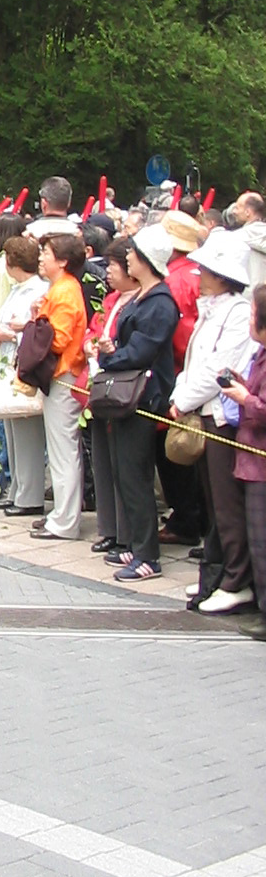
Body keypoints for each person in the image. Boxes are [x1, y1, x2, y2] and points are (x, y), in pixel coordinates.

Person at [169, 229, 254, 613]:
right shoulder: (214, 309)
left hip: (221, 416)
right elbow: (195, 363)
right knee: (212, 500)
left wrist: (183, 398)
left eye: (205, 268)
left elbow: (219, 369)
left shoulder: (236, 313)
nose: (198, 273)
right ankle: (217, 574)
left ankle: (236, 579)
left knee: (226, 504)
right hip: (203, 413)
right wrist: (180, 396)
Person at [93, 226, 179, 581]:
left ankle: (148, 556)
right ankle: (135, 545)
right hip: (129, 393)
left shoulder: (160, 302)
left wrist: (111, 358)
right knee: (124, 473)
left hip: (144, 396)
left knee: (136, 475)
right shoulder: (143, 295)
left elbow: (142, 351)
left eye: (132, 252)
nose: (127, 256)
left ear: (146, 260)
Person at [81, 237, 137, 551]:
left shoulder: (142, 301)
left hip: (124, 387)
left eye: (114, 266)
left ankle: (127, 533)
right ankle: (110, 528)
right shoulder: (110, 298)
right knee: (102, 458)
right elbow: (94, 327)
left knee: (123, 465)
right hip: (101, 383)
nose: (109, 272)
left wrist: (110, 348)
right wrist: (91, 342)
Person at [32, 233, 89, 542]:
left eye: (47, 254)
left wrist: (34, 329)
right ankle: (61, 515)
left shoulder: (65, 291)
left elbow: (59, 339)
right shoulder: (61, 288)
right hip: (59, 374)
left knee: (63, 450)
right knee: (60, 450)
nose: (41, 258)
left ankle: (66, 521)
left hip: (63, 374)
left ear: (63, 261)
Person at [217, 283, 266, 640]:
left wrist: (244, 398)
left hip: (260, 462)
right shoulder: (260, 353)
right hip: (250, 458)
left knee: (261, 541)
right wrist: (241, 383)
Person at [155, 210, 206, 547]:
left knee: (173, 452)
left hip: (176, 374)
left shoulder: (174, 281)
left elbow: (178, 333)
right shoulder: (197, 274)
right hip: (193, 373)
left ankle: (186, 519)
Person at [0, 235, 48, 516]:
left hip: (22, 366)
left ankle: (30, 495)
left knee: (27, 434)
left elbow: (37, 333)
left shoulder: (38, 290)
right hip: (7, 363)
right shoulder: (18, 288)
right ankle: (18, 490)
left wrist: (10, 333)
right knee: (13, 432)